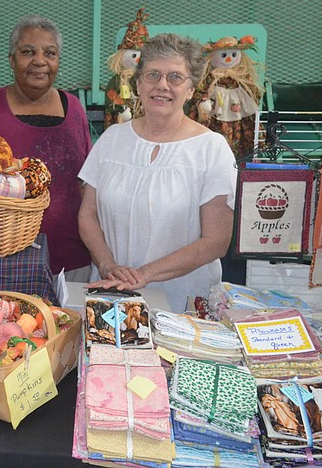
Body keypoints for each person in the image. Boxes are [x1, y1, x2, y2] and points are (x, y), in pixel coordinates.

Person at [78, 33, 236, 313]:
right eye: (153, 75)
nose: (162, 85)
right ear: (138, 83)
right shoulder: (112, 140)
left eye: (175, 77)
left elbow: (216, 241)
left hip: (183, 310)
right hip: (111, 302)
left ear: (190, 89)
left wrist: (144, 274)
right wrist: (107, 265)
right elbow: (88, 213)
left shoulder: (211, 148)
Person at [0, 15, 92, 281]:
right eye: (28, 52)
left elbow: (85, 183)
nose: (40, 61)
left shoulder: (74, 108)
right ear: (12, 60)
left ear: (58, 61)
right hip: (1, 258)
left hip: (72, 259)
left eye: (50, 53)